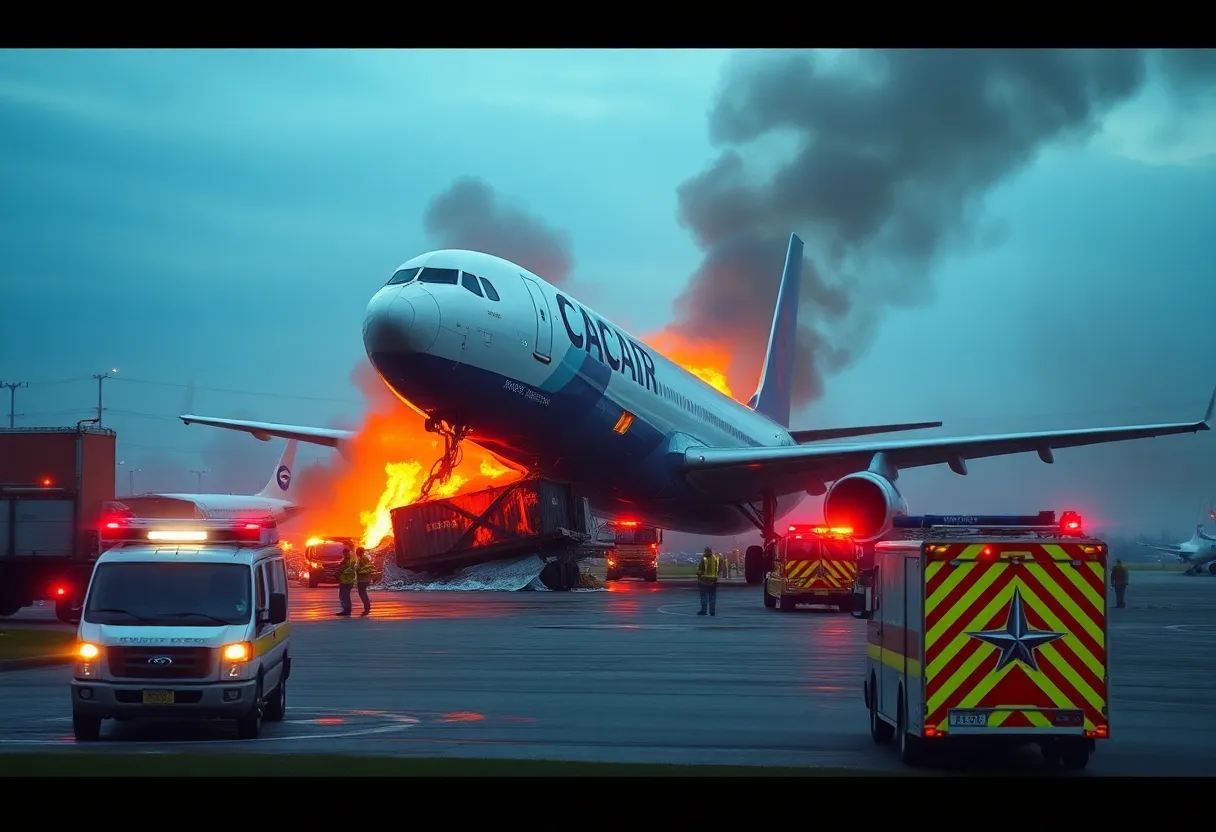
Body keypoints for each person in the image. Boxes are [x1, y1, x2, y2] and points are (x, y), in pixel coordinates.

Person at [697, 546, 720, 616]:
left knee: (704, 597)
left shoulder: (704, 559)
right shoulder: (715, 558)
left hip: (704, 580)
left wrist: (698, 573)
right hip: (713, 580)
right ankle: (712, 611)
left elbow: (701, 569)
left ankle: (704, 611)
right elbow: (718, 568)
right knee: (712, 597)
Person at [335, 547, 357, 617]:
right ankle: (345, 610)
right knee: (343, 596)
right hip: (344, 580)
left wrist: (339, 572)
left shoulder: (351, 561)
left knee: (345, 596)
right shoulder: (346, 561)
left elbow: (348, 570)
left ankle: (347, 611)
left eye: (347, 553)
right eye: (345, 554)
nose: (346, 555)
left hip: (347, 581)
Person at [355, 547, 373, 617]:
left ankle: (367, 607)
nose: (356, 553)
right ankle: (367, 605)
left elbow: (365, 569)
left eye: (357, 551)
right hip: (364, 579)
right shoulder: (362, 558)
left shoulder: (362, 559)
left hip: (363, 579)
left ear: (360, 552)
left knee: (362, 593)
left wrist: (357, 570)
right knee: (363, 593)